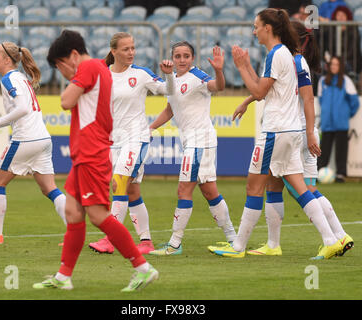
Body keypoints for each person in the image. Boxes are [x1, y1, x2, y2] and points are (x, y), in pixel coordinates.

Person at [211, 8, 343, 260]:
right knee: (298, 187)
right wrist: (248, 66)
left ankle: (238, 246)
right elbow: (264, 90)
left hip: (275, 131)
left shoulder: (276, 54)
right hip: (290, 130)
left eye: (256, 26)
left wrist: (241, 67)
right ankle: (330, 239)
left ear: (268, 28)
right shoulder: (285, 55)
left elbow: (260, 92)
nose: (254, 31)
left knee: (253, 186)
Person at [33, 30, 158, 292]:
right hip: (87, 153)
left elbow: (66, 101)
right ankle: (63, 276)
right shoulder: (101, 69)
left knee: (98, 215)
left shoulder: (89, 67)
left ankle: (142, 267)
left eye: (60, 66)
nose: (62, 73)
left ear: (74, 55)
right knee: (73, 213)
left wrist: (74, 79)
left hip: (92, 153)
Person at [88, 32, 175, 255]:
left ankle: (111, 239)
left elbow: (170, 92)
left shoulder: (141, 74)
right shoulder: (103, 75)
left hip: (137, 137)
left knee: (119, 183)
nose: (131, 53)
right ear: (114, 51)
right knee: (132, 191)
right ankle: (146, 242)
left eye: (133, 48)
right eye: (126, 49)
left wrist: (170, 75)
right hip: (113, 141)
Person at [0, 42, 67, 245]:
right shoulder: (21, 78)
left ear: (7, 59)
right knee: (50, 189)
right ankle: (74, 233)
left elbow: (23, 108)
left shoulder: (8, 79)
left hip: (26, 139)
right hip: (43, 139)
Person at [147, 41, 237, 256]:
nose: (181, 60)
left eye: (186, 56)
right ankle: (234, 239)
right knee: (209, 191)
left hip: (200, 140)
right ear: (172, 58)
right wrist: (149, 128)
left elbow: (219, 86)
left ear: (192, 58)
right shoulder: (173, 80)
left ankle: (174, 244)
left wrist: (218, 69)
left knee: (184, 190)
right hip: (192, 141)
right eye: (177, 56)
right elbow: (170, 110)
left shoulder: (198, 76)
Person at [317, 55, 360, 183]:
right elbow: (321, 100)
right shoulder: (323, 81)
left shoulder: (346, 80)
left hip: (341, 123)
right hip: (326, 123)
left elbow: (355, 103)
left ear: (340, 66)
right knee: (323, 150)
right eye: (332, 64)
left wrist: (346, 114)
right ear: (329, 66)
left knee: (341, 151)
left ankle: (341, 174)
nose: (334, 66)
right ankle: (320, 172)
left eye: (336, 64)